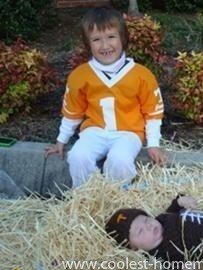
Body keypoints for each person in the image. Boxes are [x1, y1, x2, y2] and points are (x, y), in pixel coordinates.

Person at [45, 6, 166, 188]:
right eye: (96, 39)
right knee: (77, 156)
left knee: (120, 159)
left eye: (111, 37)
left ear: (122, 38)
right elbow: (73, 111)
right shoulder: (80, 75)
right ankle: (88, 198)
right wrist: (61, 140)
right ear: (88, 43)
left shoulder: (142, 75)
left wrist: (153, 143)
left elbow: (153, 112)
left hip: (129, 133)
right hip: (94, 131)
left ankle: (117, 199)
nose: (105, 46)